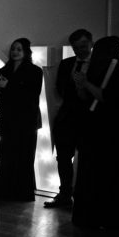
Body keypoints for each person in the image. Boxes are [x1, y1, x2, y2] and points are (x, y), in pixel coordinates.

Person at [71, 36, 119, 228]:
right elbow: (85, 97)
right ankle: (91, 216)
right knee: (91, 171)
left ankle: (109, 217)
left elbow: (110, 99)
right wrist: (81, 84)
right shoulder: (99, 69)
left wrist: (86, 84)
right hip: (94, 125)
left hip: (111, 127)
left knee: (108, 172)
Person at [45, 29, 93, 209]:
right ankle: (65, 194)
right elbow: (59, 89)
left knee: (88, 159)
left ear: (91, 43)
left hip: (88, 120)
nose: (80, 50)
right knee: (63, 158)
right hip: (66, 119)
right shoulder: (66, 64)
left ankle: (84, 196)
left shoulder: (97, 64)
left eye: (83, 46)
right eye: (76, 47)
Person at [0, 38, 43, 201]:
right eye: (13, 49)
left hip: (26, 120)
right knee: (5, 155)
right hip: (7, 118)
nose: (15, 52)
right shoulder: (4, 69)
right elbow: (1, 96)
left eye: (19, 49)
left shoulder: (35, 71)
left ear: (26, 52)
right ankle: (5, 189)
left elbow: (31, 96)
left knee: (24, 156)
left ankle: (21, 192)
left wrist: (7, 87)